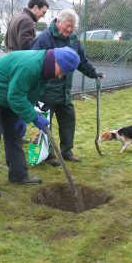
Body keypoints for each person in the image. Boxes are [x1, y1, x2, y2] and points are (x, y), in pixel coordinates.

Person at [0, 47, 80, 198]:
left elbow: (29, 95)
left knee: (14, 135)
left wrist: (21, 117)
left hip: (7, 94)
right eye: (62, 70)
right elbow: (16, 97)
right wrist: (34, 117)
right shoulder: (31, 66)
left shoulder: (46, 71)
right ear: (56, 61)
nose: (61, 75)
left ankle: (18, 175)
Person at [30, 9, 104, 166]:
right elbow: (33, 60)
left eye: (73, 27)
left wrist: (94, 73)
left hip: (64, 91)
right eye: (67, 26)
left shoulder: (74, 40)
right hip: (46, 91)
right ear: (58, 21)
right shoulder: (44, 38)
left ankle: (66, 151)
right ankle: (46, 155)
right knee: (43, 124)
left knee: (68, 120)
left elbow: (81, 61)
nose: (69, 30)